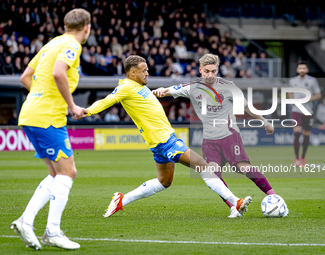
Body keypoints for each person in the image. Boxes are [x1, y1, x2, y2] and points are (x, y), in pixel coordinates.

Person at [75, 55, 252, 218]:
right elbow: (107, 101)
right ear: (133, 72)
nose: (147, 73)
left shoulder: (139, 87)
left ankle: (122, 200)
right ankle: (235, 202)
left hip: (161, 142)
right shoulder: (125, 87)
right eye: (144, 70)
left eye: (147, 70)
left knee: (164, 181)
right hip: (165, 141)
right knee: (204, 166)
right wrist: (87, 111)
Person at [152, 54, 288, 218]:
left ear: (217, 70)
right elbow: (169, 90)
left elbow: (246, 107)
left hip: (229, 136)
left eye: (213, 71)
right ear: (201, 70)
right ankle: (234, 207)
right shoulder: (192, 87)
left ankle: (272, 196)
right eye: (207, 71)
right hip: (209, 141)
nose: (210, 75)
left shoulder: (228, 86)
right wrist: (160, 91)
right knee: (212, 175)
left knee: (242, 167)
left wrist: (265, 122)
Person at [11, 9, 91, 250]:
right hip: (47, 117)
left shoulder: (51, 43)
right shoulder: (72, 45)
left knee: (57, 173)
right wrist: (71, 106)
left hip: (30, 113)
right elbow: (58, 73)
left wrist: (41, 96)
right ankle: (52, 232)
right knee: (68, 172)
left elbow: (26, 76)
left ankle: (26, 220)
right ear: (86, 27)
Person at [288, 61, 321, 168]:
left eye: (304, 68)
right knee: (297, 133)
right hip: (296, 110)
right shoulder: (292, 81)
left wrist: (309, 99)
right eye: (300, 68)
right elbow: (290, 92)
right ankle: (296, 159)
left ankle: (303, 157)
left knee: (306, 135)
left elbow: (318, 95)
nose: (302, 70)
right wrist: (292, 100)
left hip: (308, 111)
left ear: (307, 70)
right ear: (297, 70)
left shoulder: (312, 81)